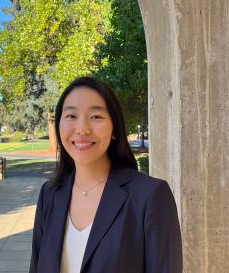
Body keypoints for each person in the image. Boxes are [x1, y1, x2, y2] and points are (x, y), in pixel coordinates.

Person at [29, 76, 182, 273]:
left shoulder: (150, 196)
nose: (82, 129)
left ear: (115, 129)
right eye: (71, 116)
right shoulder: (50, 194)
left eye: (96, 117)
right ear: (59, 126)